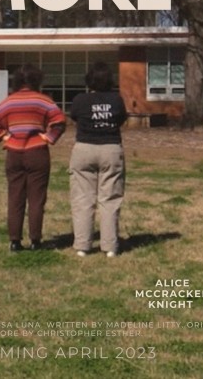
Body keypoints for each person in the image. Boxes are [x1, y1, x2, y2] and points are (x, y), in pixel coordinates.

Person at [0, 64, 66, 252]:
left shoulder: (8, 101)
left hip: (14, 153)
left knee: (15, 198)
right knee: (37, 199)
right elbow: (59, 121)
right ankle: (35, 240)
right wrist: (48, 137)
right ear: (37, 80)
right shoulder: (43, 100)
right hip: (37, 152)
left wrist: (4, 136)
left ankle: (14, 241)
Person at [69, 61, 127, 258]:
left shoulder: (80, 99)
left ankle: (82, 245)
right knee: (110, 198)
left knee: (82, 198)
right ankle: (109, 246)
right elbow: (121, 119)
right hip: (110, 149)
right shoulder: (116, 100)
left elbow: (74, 117)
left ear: (89, 81)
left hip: (84, 149)